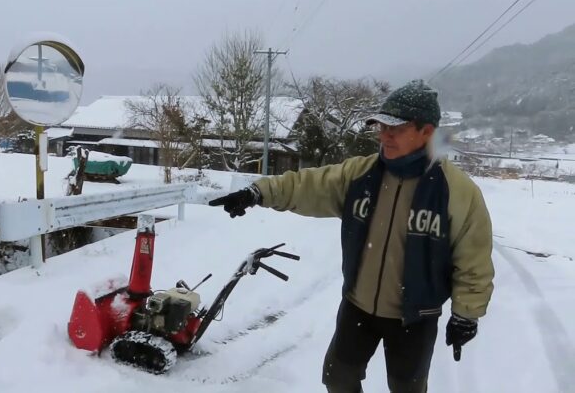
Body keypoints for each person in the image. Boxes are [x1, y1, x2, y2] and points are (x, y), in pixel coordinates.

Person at [209, 79, 494, 393]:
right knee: (338, 378)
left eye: (395, 129)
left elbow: (473, 259)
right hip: (357, 307)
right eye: (381, 127)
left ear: (427, 131)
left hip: (415, 317)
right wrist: (257, 193)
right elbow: (308, 185)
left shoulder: (455, 190)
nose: (384, 136)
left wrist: (466, 313)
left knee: (407, 389)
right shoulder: (361, 175)